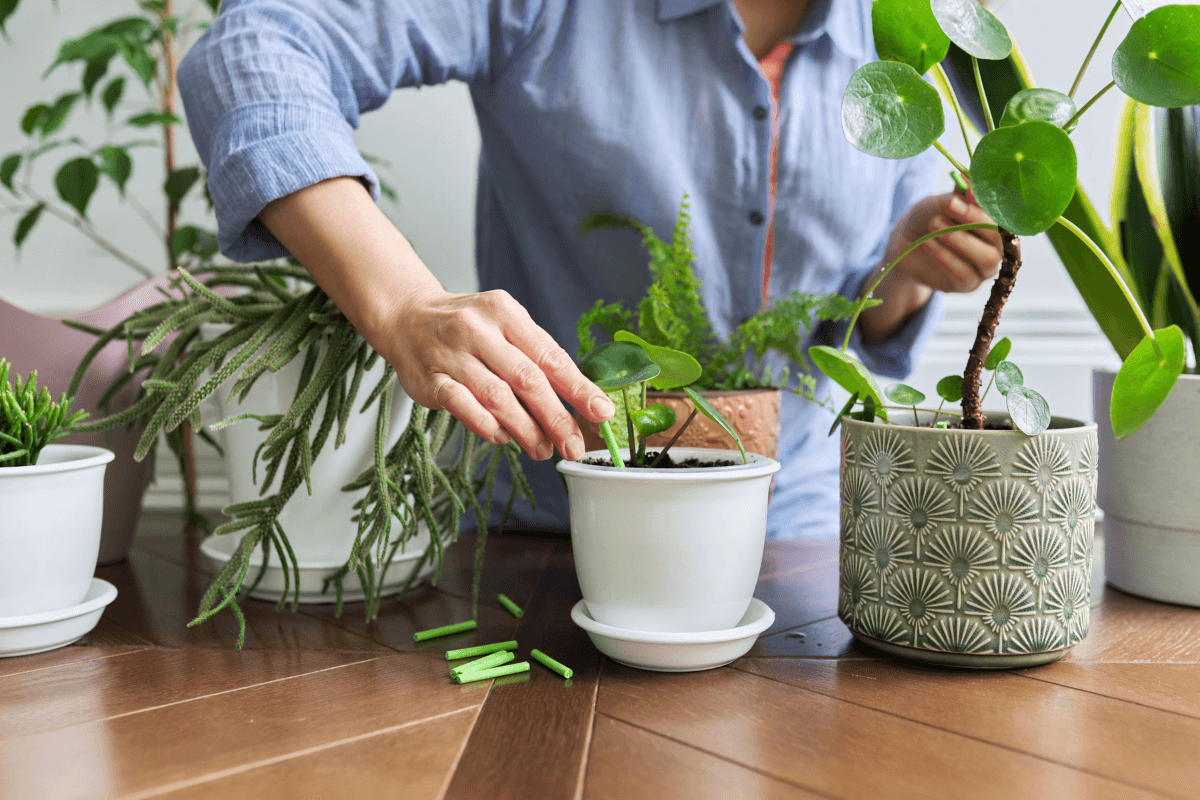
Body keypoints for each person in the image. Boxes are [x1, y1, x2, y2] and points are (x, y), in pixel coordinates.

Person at [178, 0, 1003, 539]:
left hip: (807, 534)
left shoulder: (907, 37)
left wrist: (909, 262)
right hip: (554, 530)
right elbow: (251, 50)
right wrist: (401, 306)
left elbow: (857, 321)